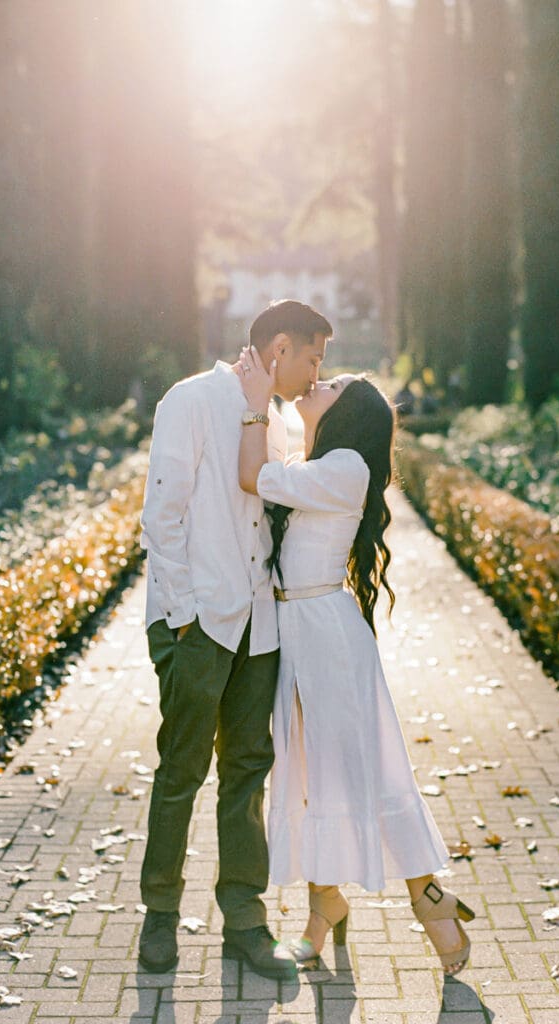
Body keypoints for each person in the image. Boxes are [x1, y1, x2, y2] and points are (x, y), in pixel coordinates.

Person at [235, 346, 476, 976]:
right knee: (311, 772)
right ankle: (325, 907)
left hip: (327, 636)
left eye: (335, 382)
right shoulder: (318, 460)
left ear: (350, 413)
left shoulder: (344, 465)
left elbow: (250, 477)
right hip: (300, 629)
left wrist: (256, 404)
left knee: (359, 769)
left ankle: (429, 898)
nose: (321, 379)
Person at [137, 300, 332, 980]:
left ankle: (244, 924)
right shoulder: (190, 400)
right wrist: (185, 617)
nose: (316, 373)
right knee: (182, 771)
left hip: (260, 627)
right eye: (312, 357)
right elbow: (160, 516)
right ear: (279, 347)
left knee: (248, 771)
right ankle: (159, 915)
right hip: (198, 626)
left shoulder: (279, 418)